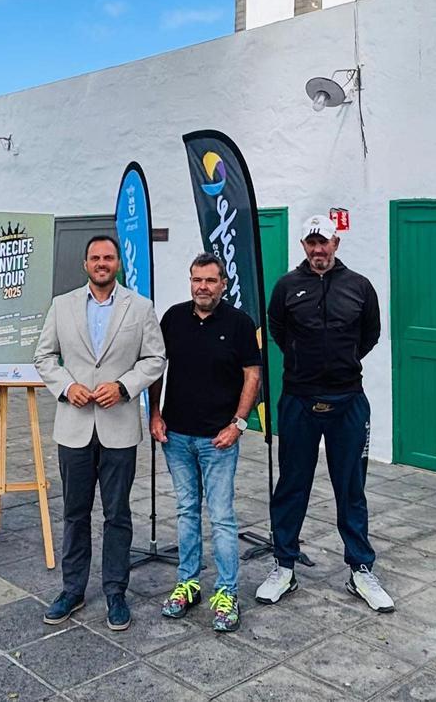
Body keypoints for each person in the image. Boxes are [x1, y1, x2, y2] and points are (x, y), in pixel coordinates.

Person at [255, 215, 394, 613]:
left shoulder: (360, 287)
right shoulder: (286, 287)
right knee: (292, 485)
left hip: (348, 400)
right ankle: (284, 566)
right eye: (311, 243)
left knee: (350, 487)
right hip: (299, 400)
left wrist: (340, 362)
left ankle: (361, 571)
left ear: (336, 243)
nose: (318, 250)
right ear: (302, 245)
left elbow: (370, 335)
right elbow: (278, 331)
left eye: (325, 243)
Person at [34, 235, 166, 631]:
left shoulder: (140, 308)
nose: (102, 263)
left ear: (118, 264)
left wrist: (124, 386)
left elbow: (155, 357)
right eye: (95, 257)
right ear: (85, 264)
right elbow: (43, 356)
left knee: (117, 514)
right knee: (75, 513)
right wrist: (66, 386)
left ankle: (115, 592)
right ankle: (72, 589)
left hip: (119, 427)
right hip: (74, 427)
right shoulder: (62, 305)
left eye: (109, 257)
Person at [148, 253, 261, 631]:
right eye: (197, 280)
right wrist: (155, 414)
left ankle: (227, 592)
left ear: (223, 284)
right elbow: (156, 368)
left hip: (219, 440)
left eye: (210, 281)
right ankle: (188, 583)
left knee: (223, 518)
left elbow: (252, 376)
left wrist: (239, 424)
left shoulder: (240, 323)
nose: (203, 287)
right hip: (176, 435)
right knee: (185, 511)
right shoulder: (174, 318)